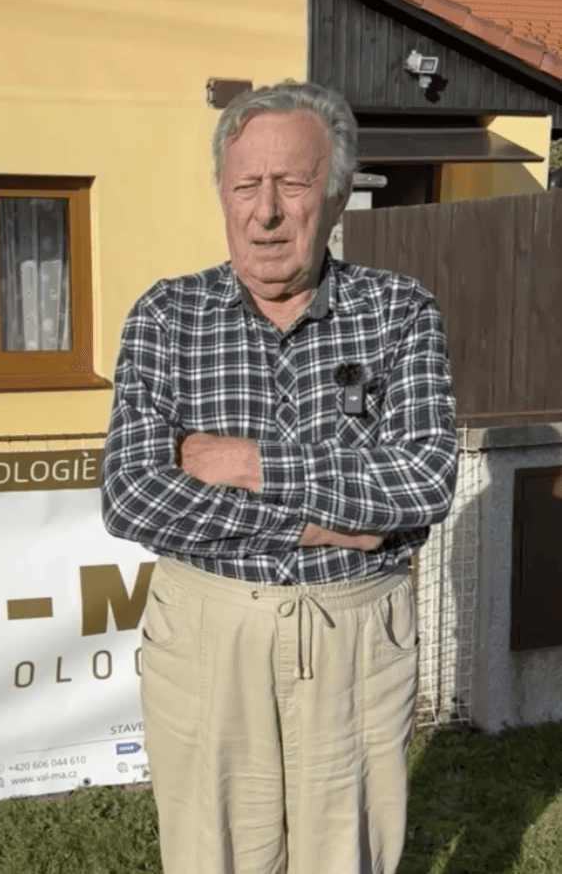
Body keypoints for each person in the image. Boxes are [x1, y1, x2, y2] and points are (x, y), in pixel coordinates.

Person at [101, 80, 457, 874]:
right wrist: (319, 522)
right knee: (213, 855)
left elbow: (424, 480)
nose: (264, 213)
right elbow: (131, 495)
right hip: (209, 633)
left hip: (355, 636)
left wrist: (248, 463)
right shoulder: (167, 316)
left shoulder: (399, 311)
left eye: (292, 184)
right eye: (245, 186)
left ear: (335, 194)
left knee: (347, 854)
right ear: (222, 194)